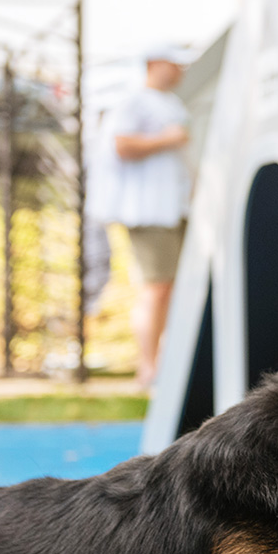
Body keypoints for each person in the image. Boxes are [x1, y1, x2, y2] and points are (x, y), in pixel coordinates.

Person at [89, 43, 192, 389]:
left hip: (175, 207)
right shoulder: (132, 101)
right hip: (148, 210)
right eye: (174, 64)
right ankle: (147, 367)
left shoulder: (171, 103)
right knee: (156, 286)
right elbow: (121, 146)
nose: (180, 71)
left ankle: (168, 363)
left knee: (173, 288)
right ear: (156, 63)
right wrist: (166, 139)